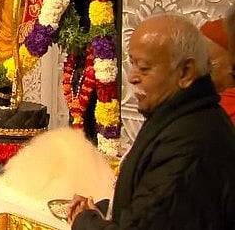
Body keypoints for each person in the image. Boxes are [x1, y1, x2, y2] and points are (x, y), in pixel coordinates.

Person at [68, 13, 235, 230]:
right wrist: (101, 210)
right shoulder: (177, 115)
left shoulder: (192, 140)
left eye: (144, 68)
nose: (132, 77)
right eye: (132, 64)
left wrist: (84, 222)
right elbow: (154, 207)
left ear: (185, 72)